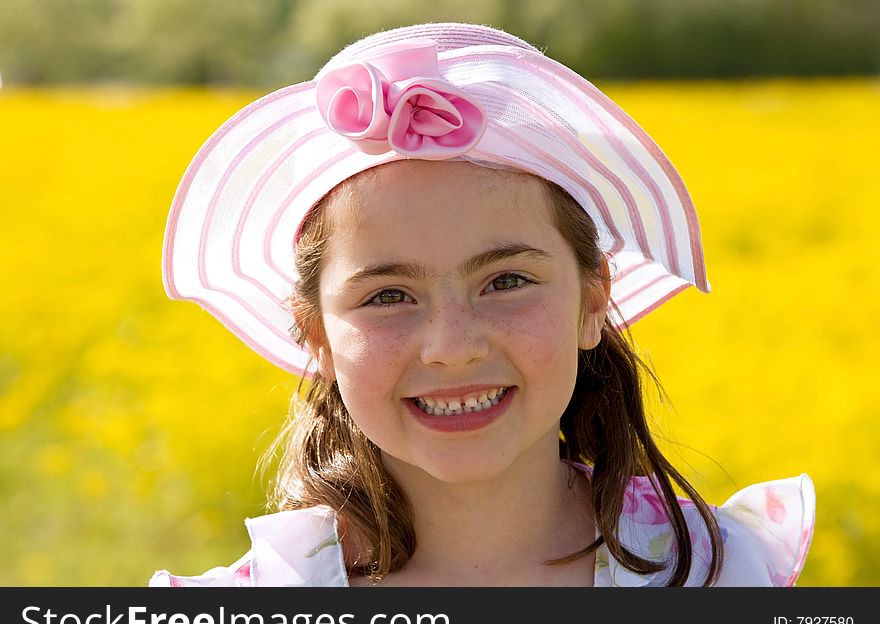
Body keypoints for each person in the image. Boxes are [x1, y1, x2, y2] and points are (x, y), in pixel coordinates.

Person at [151, 22, 814, 587]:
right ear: (315, 334)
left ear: (592, 300)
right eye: (388, 295)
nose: (453, 344)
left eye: (506, 281)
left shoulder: (716, 574)